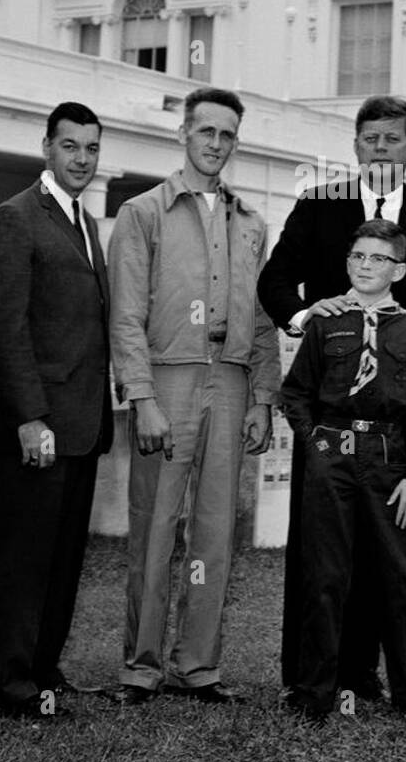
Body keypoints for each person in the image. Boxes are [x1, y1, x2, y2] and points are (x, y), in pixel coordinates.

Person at [258, 94, 406, 698]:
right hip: (328, 414)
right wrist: (304, 317)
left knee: (387, 555)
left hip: (393, 419)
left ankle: (369, 675)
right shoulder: (317, 205)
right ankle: (311, 680)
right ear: (355, 146)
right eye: (370, 138)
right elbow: (274, 279)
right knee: (319, 557)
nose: (380, 148)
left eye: (393, 139)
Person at [108, 87, 280, 704]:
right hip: (168, 377)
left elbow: (263, 317)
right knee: (155, 528)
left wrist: (263, 396)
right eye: (206, 131)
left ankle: (198, 666)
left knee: (214, 532)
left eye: (227, 134)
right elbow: (125, 316)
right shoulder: (143, 213)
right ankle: (142, 666)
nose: (216, 143)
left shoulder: (253, 223)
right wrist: (141, 396)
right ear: (184, 134)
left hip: (230, 381)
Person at [0, 102, 113, 720]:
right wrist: (30, 417)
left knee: (62, 560)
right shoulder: (14, 219)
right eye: (70, 146)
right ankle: (10, 686)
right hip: (37, 427)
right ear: (46, 147)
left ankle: (43, 670)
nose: (81, 158)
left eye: (90, 148)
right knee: (22, 561)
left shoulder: (86, 222)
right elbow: (3, 329)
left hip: (82, 426)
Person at [281, 219, 406, 723]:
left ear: (398, 269)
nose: (366, 266)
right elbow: (295, 393)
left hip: (389, 462)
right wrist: (316, 444)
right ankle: (313, 695)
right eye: (358, 257)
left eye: (378, 259)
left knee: (399, 578)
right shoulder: (327, 321)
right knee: (325, 576)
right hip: (332, 459)